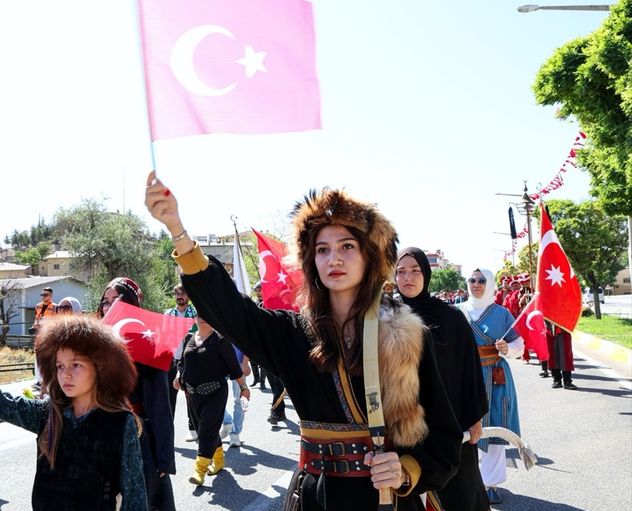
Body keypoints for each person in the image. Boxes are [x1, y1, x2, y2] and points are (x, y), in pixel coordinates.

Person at [146, 173, 461, 511]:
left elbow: (444, 437)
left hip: (382, 500)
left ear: (369, 256)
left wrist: (405, 470)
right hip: (314, 497)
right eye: (322, 250)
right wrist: (176, 228)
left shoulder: (407, 334)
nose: (333, 259)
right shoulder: (293, 332)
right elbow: (230, 311)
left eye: (347, 246)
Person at [0, 315, 148, 510]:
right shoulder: (48, 414)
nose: (66, 374)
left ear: (100, 368)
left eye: (76, 365)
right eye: (60, 366)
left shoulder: (120, 422)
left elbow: (135, 493)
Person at [396, 249, 490, 511]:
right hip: (405, 426)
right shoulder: (385, 317)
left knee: (460, 495)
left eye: (415, 271)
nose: (408, 277)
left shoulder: (450, 318)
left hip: (450, 422)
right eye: (401, 272)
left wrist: (475, 418)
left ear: (426, 274)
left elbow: (469, 369)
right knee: (406, 493)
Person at [99, 277, 175, 511]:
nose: (109, 306)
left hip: (137, 436)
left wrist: (163, 457)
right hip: (100, 435)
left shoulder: (148, 345)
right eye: (105, 301)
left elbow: (160, 405)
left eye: (116, 300)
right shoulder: (94, 343)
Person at [456, 269, 523, 505]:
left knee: (495, 428)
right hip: (464, 376)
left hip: (495, 376)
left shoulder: (502, 314)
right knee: (465, 431)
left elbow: (519, 346)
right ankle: (467, 482)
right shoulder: (456, 312)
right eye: (472, 280)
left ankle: (490, 484)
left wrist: (508, 348)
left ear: (490, 283)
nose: (476, 284)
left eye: (482, 280)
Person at [175, 317, 248, 484]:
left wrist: (244, 388)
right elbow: (181, 363)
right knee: (205, 429)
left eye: (206, 315)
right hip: (192, 394)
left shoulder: (220, 340)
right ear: (195, 318)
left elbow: (234, 367)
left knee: (205, 431)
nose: (202, 319)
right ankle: (219, 460)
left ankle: (199, 471)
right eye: (199, 315)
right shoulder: (189, 338)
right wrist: (178, 377)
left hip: (215, 393)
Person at [164, 284, 198, 442]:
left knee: (190, 396)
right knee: (170, 397)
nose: (180, 297)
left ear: (188, 296)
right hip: (172, 360)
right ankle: (168, 430)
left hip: (190, 360)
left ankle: (193, 428)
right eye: (177, 294)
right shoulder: (168, 314)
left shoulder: (195, 313)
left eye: (183, 294)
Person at [34, 297, 83, 389]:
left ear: (76, 310)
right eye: (59, 307)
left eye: (66, 307)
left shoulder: (84, 334)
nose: (62, 310)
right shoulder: (54, 333)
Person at [546, 323, 577, 390]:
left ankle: (567, 381)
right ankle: (557, 380)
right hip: (549, 332)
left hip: (564, 330)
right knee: (552, 357)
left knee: (565, 357)